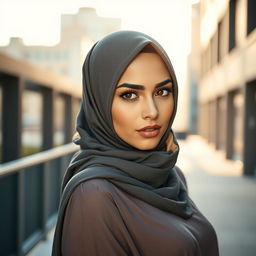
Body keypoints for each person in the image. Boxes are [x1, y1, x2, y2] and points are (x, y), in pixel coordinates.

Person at [52, 30, 219, 256]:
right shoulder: (94, 195)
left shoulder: (172, 175)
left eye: (162, 91)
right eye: (130, 95)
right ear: (99, 103)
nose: (152, 111)